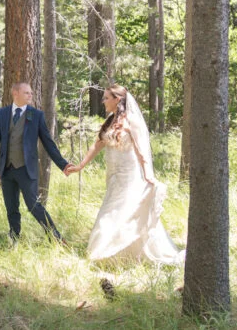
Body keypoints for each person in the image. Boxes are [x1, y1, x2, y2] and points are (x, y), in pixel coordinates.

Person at [66, 85, 184, 265]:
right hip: (113, 176)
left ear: (117, 99)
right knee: (113, 210)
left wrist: (148, 176)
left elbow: (142, 150)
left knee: (124, 212)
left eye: (106, 98)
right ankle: (118, 256)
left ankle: (104, 253)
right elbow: (97, 145)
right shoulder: (110, 121)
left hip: (130, 175)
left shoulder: (132, 121)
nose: (103, 101)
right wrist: (81, 165)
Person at [0, 82, 74, 244]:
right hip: (7, 169)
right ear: (15, 93)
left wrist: (63, 165)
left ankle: (55, 237)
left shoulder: (36, 115)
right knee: (11, 208)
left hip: (26, 169)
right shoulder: (2, 113)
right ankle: (15, 239)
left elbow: (48, 142)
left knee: (33, 205)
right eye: (27, 93)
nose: (30, 95)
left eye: (31, 93)